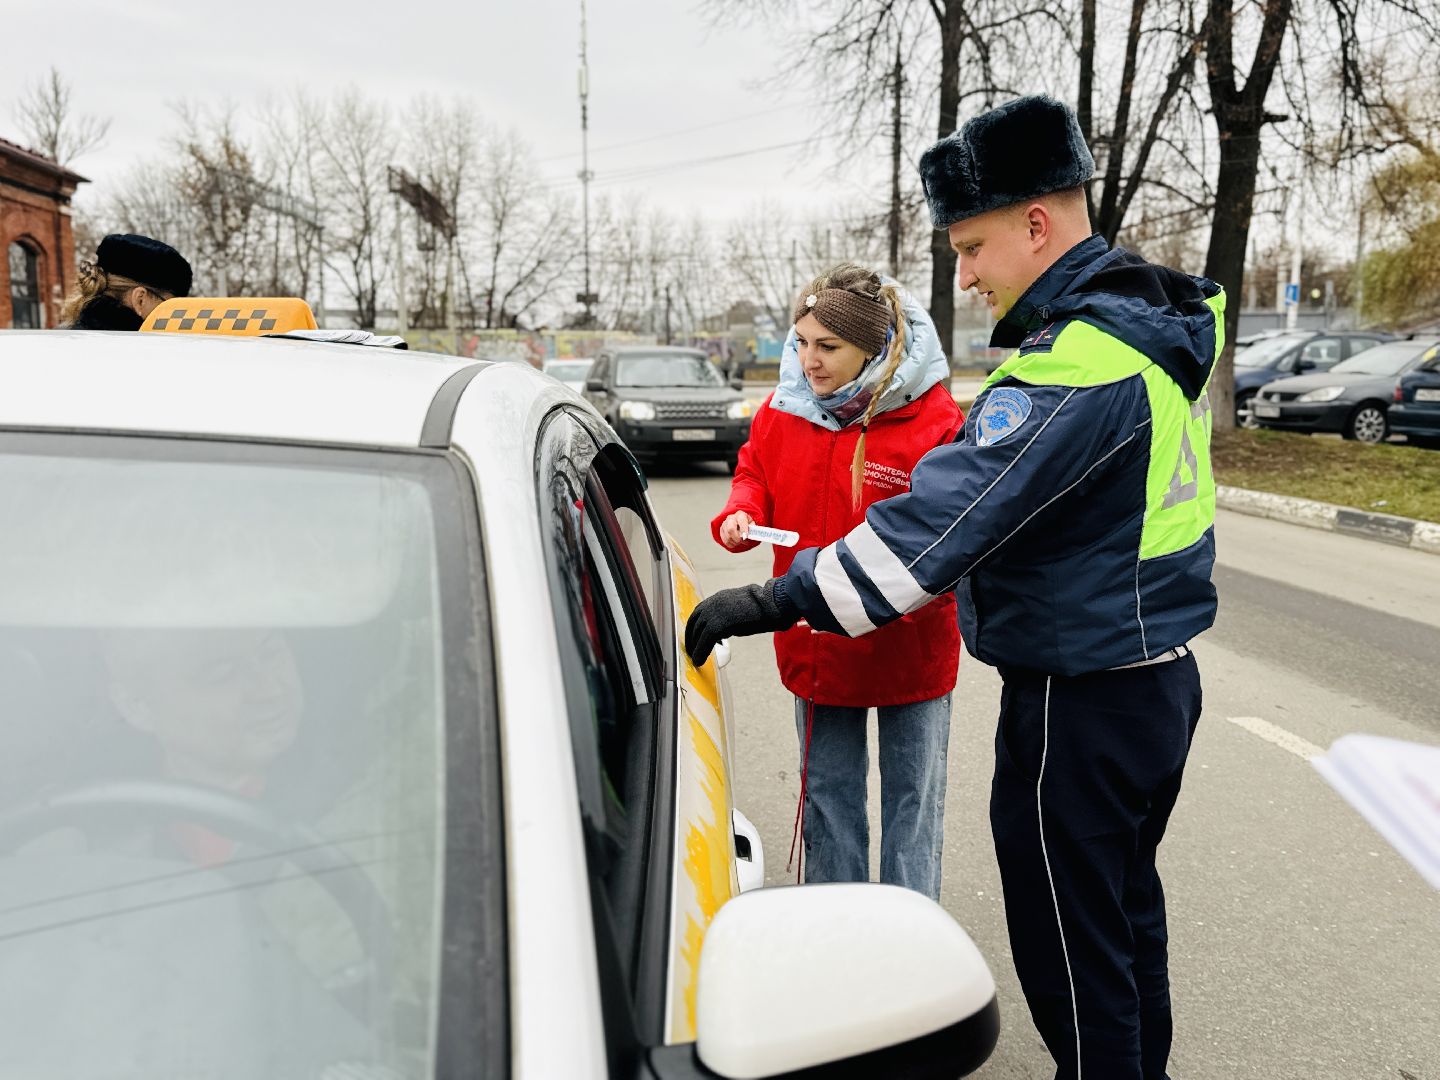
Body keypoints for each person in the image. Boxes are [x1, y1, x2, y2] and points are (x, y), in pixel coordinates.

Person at [685, 94, 1220, 1080]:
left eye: (972, 248)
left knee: (1072, 952)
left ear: (1036, 224)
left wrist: (771, 601)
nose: (965, 276)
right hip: (1152, 682)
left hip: (1080, 702)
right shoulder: (1152, 332)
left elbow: (930, 532)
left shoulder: (1078, 366)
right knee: (1121, 925)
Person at [712, 262, 964, 900]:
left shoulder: (931, 421)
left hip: (909, 644)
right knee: (828, 793)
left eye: (827, 346)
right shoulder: (785, 408)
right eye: (800, 342)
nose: (808, 361)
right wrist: (743, 510)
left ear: (874, 347)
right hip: (816, 642)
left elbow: (953, 532)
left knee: (913, 801)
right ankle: (838, 919)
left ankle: (911, 926)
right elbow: (754, 470)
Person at [60, 233, 192, 330]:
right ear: (140, 299)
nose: (173, 315)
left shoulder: (65, 338)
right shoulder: (145, 351)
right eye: (169, 306)